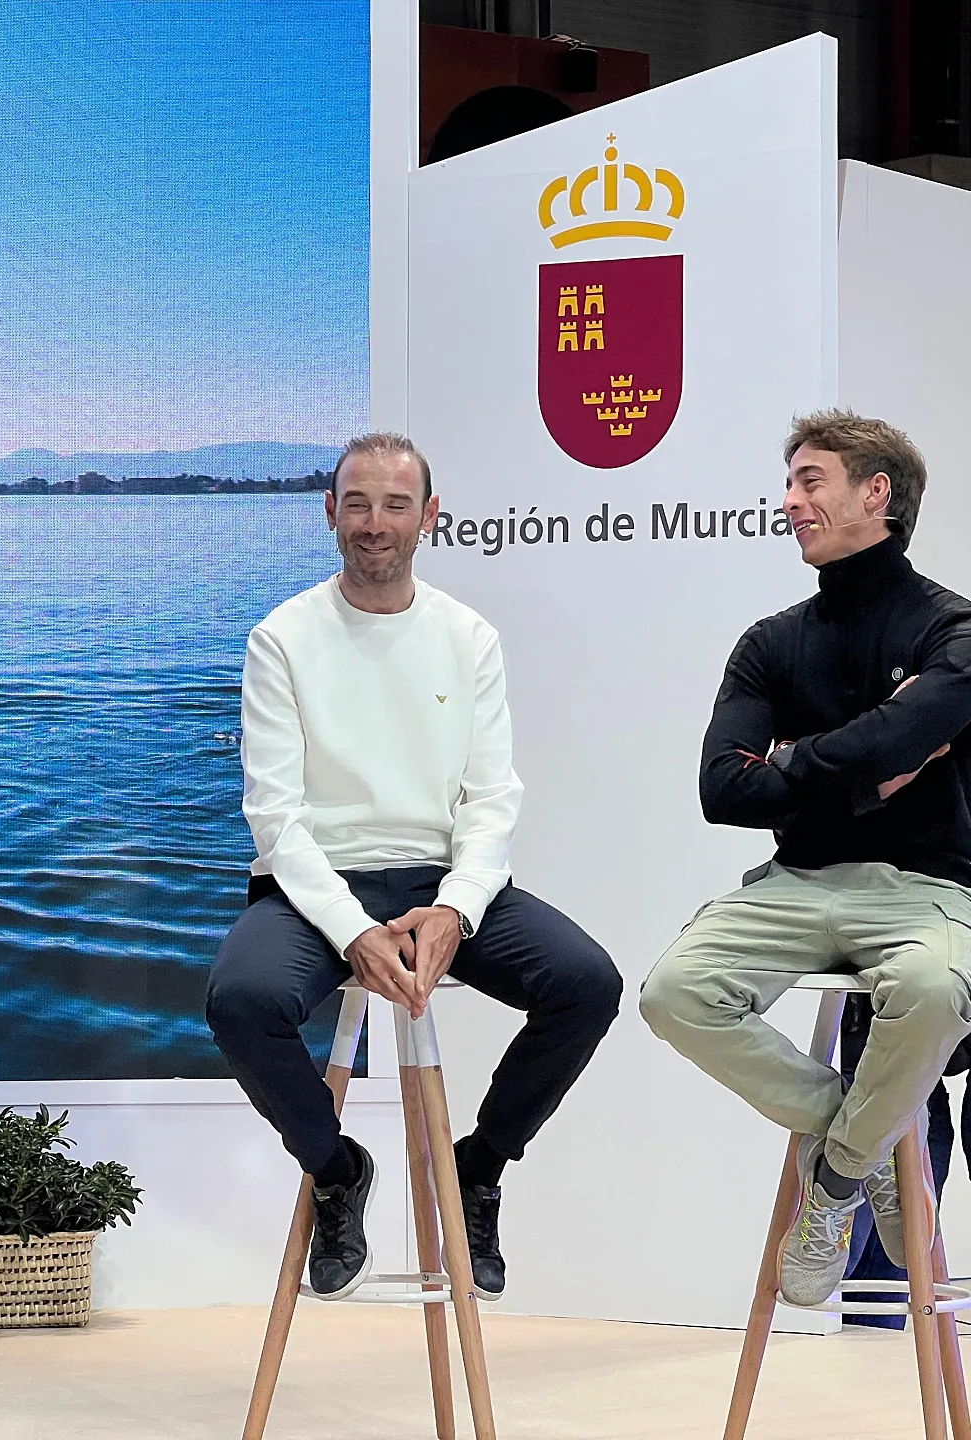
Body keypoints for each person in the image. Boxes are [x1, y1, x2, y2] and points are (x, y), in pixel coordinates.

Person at [206, 432, 620, 1301]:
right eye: (356, 503)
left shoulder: (468, 637)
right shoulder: (281, 638)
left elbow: (490, 798)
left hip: (443, 880)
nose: (374, 523)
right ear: (329, 513)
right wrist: (353, 929)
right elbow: (275, 817)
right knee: (240, 1002)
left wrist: (456, 909)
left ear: (430, 517)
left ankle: (479, 1165)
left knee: (588, 983)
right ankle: (335, 1169)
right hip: (317, 888)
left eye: (396, 505)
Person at [640, 410, 971, 1309]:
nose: (791, 501)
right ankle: (860, 1142)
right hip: (796, 883)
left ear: (876, 494)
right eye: (792, 482)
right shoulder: (770, 643)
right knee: (671, 994)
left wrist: (792, 762)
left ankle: (834, 1181)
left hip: (928, 888)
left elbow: (856, 749)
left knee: (930, 992)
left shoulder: (962, 636)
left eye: (812, 482)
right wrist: (862, 770)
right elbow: (722, 792)